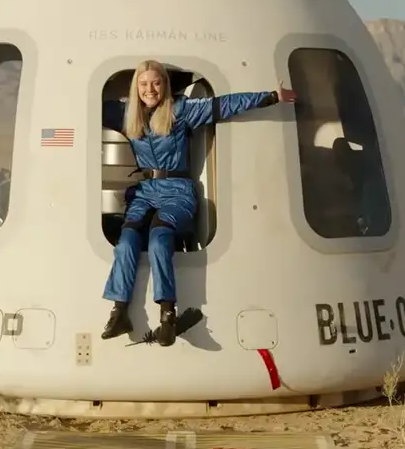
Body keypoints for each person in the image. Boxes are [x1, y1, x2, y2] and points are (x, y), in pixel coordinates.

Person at [98, 59, 296, 346]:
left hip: (177, 189)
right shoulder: (125, 114)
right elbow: (82, 105)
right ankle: (119, 312)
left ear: (165, 85)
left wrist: (270, 97)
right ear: (136, 87)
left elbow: (224, 105)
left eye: (156, 83)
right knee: (127, 241)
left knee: (159, 239)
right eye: (143, 84)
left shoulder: (180, 110)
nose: (150, 89)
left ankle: (168, 315)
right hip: (145, 191)